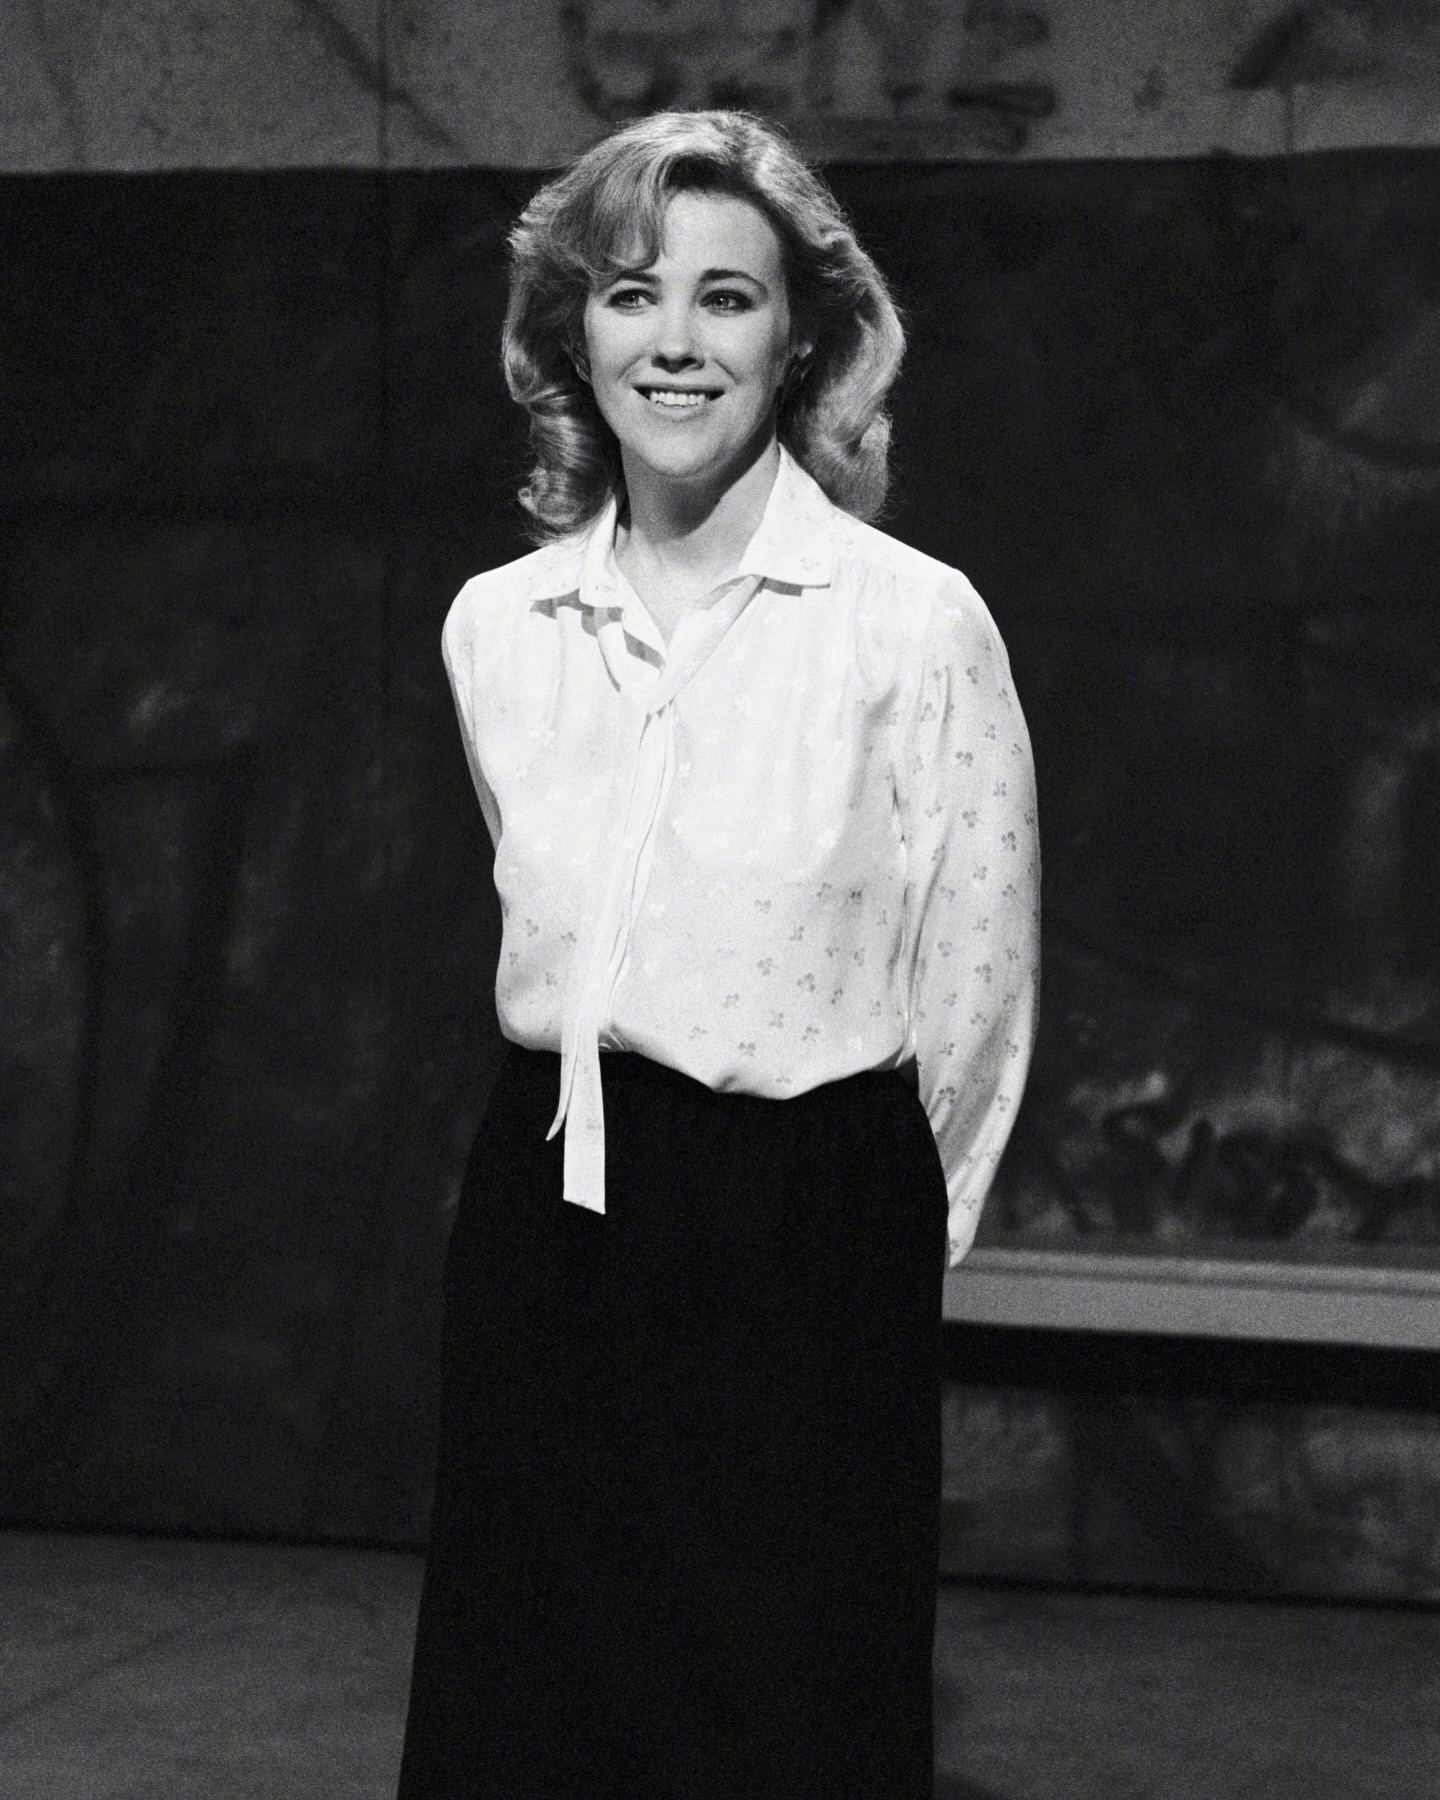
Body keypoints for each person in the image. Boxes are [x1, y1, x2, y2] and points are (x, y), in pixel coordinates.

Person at [396, 107, 1039, 1800]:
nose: (674, 341)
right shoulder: (499, 625)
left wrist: (878, 1248)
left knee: (782, 1711)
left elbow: (978, 988)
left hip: (806, 1223)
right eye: (631, 294)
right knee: (533, 1704)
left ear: (801, 336)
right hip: (550, 1205)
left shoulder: (911, 621)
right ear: (573, 334)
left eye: (725, 297)